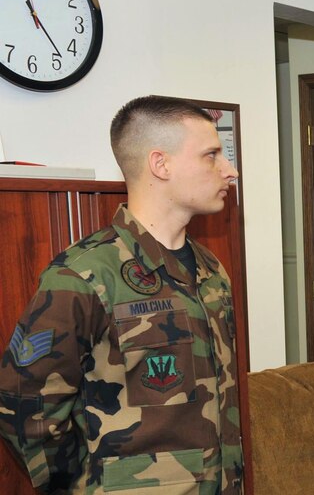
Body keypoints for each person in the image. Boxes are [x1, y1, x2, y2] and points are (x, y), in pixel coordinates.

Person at [0, 96, 244, 493]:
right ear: (160, 164)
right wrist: (81, 483)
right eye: (212, 155)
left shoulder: (211, 270)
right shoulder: (84, 273)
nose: (229, 170)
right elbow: (24, 404)